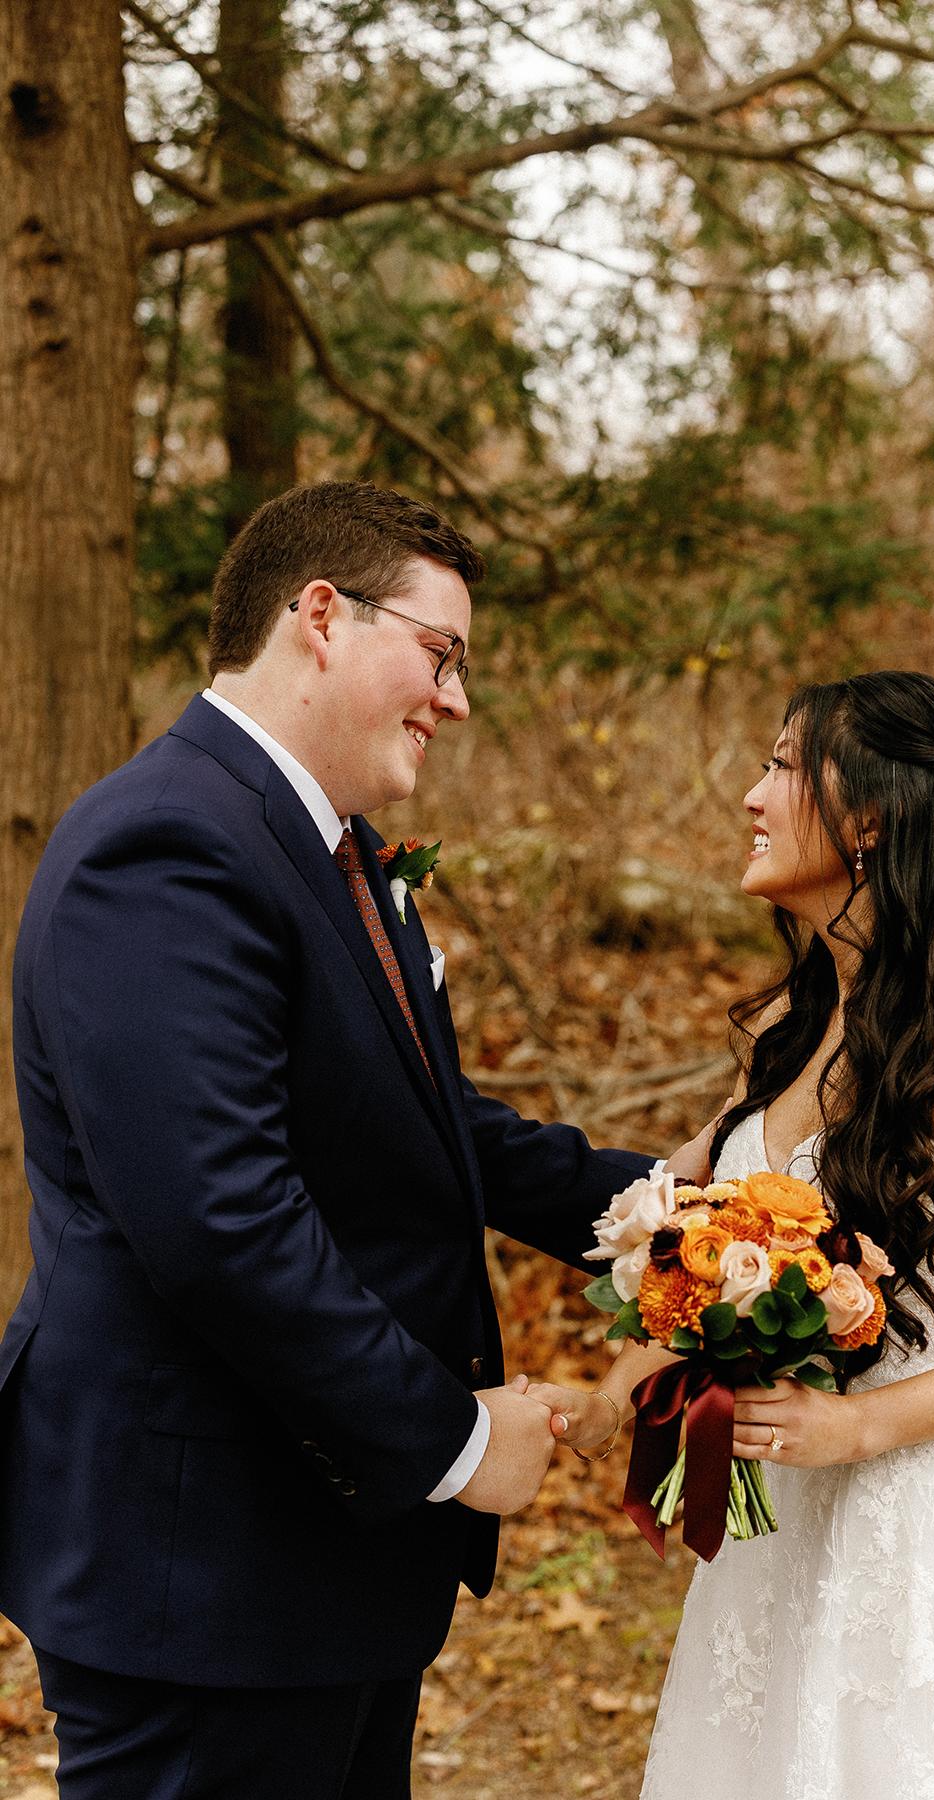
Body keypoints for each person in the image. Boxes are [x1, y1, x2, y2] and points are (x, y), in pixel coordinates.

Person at [0, 481, 690, 1799]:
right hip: (200, 1573)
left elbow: (427, 1128)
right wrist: (458, 1440)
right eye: (442, 652)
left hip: (320, 1563)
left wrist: (667, 1203)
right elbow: (223, 1223)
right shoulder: (165, 846)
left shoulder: (329, 851)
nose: (459, 698)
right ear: (320, 615)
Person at [536, 671, 934, 1799]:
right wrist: (608, 1400)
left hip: (923, 1534)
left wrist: (864, 1426)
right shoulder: (795, 1024)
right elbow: (707, 1267)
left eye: (784, 766)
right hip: (776, 1534)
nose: (750, 794)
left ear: (871, 817)